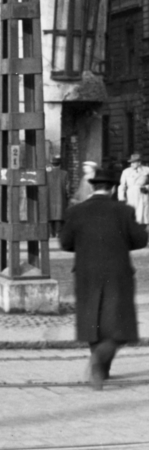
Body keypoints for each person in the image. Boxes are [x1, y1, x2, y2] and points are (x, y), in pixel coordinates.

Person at [59, 161, 148, 388]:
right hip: (118, 273)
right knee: (120, 325)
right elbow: (140, 240)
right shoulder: (123, 210)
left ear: (93, 187)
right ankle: (99, 362)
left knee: (93, 321)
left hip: (86, 272)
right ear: (111, 188)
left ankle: (102, 369)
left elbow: (65, 243)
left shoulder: (75, 211)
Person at [117, 152, 149, 225]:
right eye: (131, 163)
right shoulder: (126, 171)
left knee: (144, 214)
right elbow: (122, 185)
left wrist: (147, 187)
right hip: (131, 195)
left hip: (143, 194)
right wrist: (121, 198)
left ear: (139, 162)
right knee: (133, 214)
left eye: (134, 162)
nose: (132, 164)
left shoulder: (147, 170)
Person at [46, 155, 69, 239]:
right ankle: (58, 233)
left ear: (51, 164)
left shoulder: (46, 174)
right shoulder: (65, 173)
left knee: (50, 214)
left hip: (49, 198)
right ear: (60, 164)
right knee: (59, 215)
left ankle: (51, 233)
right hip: (61, 198)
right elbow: (67, 188)